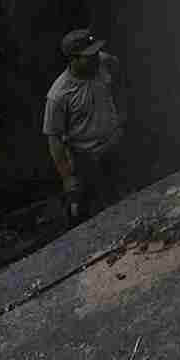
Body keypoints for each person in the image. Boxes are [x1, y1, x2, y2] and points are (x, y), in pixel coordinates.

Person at [44, 28, 126, 222]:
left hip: (114, 143)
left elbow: (117, 73)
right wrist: (67, 177)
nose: (96, 57)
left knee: (125, 194)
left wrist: (122, 115)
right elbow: (54, 139)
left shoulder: (103, 61)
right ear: (73, 59)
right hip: (87, 157)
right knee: (92, 209)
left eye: (96, 51)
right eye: (89, 56)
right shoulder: (59, 95)